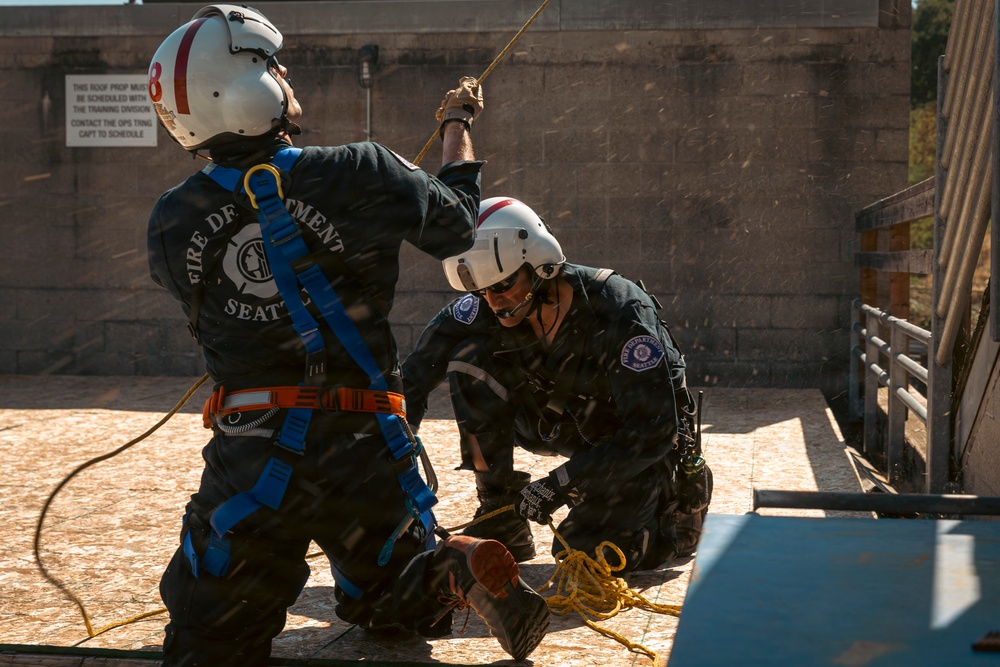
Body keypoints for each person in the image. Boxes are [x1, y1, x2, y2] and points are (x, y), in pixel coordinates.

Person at [145, 5, 548, 665]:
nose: (284, 73)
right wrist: (455, 126)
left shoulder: (171, 220)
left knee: (210, 631)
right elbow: (457, 228)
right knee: (386, 595)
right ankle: (447, 569)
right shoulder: (363, 169)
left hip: (254, 456)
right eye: (272, 64)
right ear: (245, 85)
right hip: (366, 450)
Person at [402, 196, 712, 571]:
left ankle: (671, 510)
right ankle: (499, 509)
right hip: (552, 424)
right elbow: (411, 382)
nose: (492, 300)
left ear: (539, 266)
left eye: (501, 285)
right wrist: (392, 458)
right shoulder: (484, 307)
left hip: (629, 445)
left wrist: (564, 482)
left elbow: (653, 431)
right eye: (480, 290)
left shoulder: (619, 311)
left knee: (587, 554)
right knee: (467, 358)